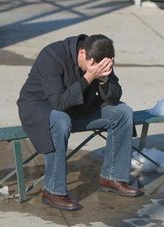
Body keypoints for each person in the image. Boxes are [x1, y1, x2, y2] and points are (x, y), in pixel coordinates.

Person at [17, 34, 144, 211]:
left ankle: (112, 178)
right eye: (95, 66)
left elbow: (114, 98)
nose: (99, 69)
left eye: (104, 66)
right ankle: (53, 191)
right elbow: (59, 103)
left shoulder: (99, 58)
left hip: (79, 108)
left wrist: (104, 78)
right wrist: (89, 77)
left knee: (122, 112)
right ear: (82, 53)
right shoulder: (52, 55)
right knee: (60, 121)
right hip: (42, 109)